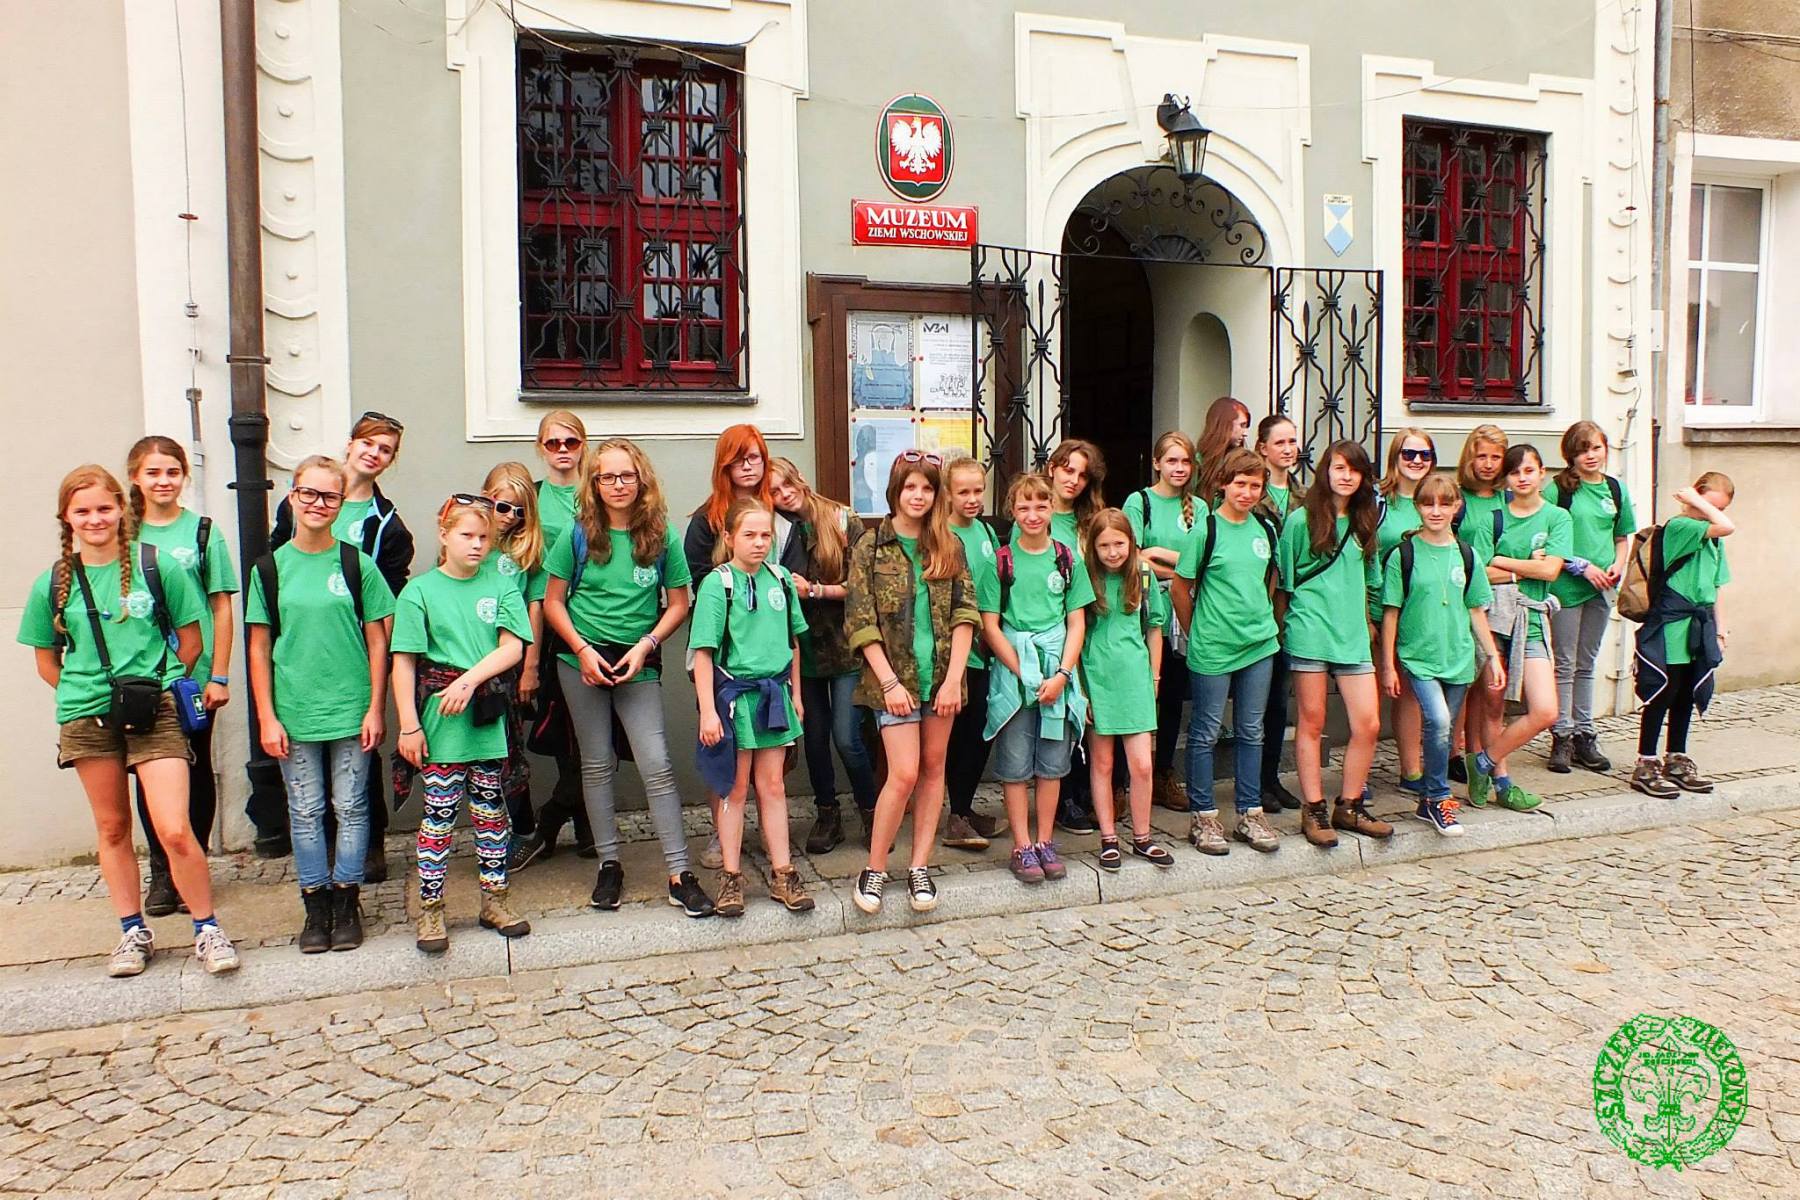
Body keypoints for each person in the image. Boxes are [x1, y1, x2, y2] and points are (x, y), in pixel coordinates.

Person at [18, 466, 239, 977]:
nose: (95, 519)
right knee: (113, 826)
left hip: (156, 712)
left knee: (174, 828)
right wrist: (87, 693)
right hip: (87, 717)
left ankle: (207, 927)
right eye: (83, 511)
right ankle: (131, 930)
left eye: (104, 508)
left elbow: (191, 640)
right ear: (67, 518)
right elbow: (47, 660)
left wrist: (155, 686)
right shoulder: (54, 582)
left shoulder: (156, 566)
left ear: (122, 509)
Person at [540, 438, 714, 918]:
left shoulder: (661, 534)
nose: (617, 485)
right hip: (581, 660)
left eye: (626, 476)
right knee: (596, 763)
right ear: (594, 484)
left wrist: (647, 645)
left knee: (656, 763)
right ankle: (609, 864)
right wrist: (581, 650)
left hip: (638, 659)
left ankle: (679, 873)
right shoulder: (577, 533)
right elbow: (553, 601)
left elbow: (679, 603)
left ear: (642, 480)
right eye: (607, 477)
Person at [246, 457, 395, 952]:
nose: (318, 504)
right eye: (308, 493)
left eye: (329, 496)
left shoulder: (356, 564)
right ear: (292, 497)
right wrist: (267, 716)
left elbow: (378, 640)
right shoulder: (270, 569)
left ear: (340, 504)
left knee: (351, 807)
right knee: (305, 811)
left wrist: (376, 707)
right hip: (295, 711)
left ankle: (347, 899)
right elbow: (259, 647)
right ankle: (315, 906)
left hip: (350, 707)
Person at [270, 410, 412, 876]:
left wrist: (384, 657)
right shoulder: (299, 501)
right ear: (350, 444)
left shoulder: (386, 523)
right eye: (368, 443)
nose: (374, 453)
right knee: (306, 760)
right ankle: (321, 853)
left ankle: (368, 847)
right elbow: (274, 565)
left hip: (355, 647)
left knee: (360, 752)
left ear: (391, 460)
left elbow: (388, 597)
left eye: (385, 449)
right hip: (304, 643)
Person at [392, 495, 533, 954]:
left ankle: (495, 900)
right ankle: (431, 908)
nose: (476, 545)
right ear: (444, 535)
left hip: (484, 714)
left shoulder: (501, 586)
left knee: (491, 814)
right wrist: (409, 725)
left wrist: (470, 681)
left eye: (484, 537)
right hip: (441, 720)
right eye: (467, 535)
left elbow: (512, 647)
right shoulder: (419, 592)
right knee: (439, 815)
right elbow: (404, 662)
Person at [846, 453, 979, 914]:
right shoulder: (871, 545)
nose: (918, 496)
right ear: (895, 491)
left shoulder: (948, 545)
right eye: (910, 487)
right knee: (902, 773)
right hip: (894, 681)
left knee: (933, 769)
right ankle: (875, 867)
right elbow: (860, 620)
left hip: (941, 678)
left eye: (927, 488)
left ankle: (919, 865)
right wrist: (889, 683)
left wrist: (954, 679)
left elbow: (966, 613)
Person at [125, 437, 237, 917]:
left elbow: (221, 606)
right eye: (153, 472)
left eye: (172, 472)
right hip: (141, 678)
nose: (163, 481)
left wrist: (219, 675)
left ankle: (192, 861)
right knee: (147, 770)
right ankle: (161, 871)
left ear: (184, 476)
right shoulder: (123, 535)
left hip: (192, 675)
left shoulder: (202, 532)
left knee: (195, 765)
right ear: (136, 477)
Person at [690, 499, 814, 917]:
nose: (759, 543)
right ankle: (730, 876)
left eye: (766, 535)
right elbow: (703, 653)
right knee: (735, 787)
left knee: (773, 785)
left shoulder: (780, 580)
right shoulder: (718, 584)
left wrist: (796, 695)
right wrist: (708, 711)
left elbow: (793, 642)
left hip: (774, 696)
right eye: (750, 535)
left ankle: (783, 873)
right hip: (735, 700)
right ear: (729, 538)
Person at [979, 473, 1094, 885]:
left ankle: (1045, 840)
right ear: (1012, 511)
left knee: (1052, 763)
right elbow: (990, 625)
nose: (1032, 515)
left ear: (1052, 509)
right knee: (1014, 764)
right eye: (1024, 507)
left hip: (1057, 672)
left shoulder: (1067, 558)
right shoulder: (1000, 561)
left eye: (1041, 506)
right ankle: (1022, 844)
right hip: (1015, 674)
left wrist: (1063, 674)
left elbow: (1076, 621)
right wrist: (1021, 670)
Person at [1277, 439, 1389, 848]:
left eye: (1354, 470)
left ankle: (1350, 803)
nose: (1346, 476)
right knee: (1312, 720)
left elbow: (1372, 578)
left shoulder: (1365, 520)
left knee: (1368, 722)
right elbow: (1284, 581)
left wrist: (1370, 620)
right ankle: (1314, 807)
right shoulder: (1301, 520)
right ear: (1326, 470)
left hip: (1352, 633)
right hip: (1310, 629)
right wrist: (1285, 627)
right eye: (1339, 467)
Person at [1379, 474, 1505, 836]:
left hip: (1458, 656)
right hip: (1418, 656)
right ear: (1418, 507)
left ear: (1456, 507)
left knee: (1445, 732)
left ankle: (1427, 801)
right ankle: (1438, 797)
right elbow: (1391, 612)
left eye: (1444, 504)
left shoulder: (1466, 555)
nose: (1436, 511)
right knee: (1436, 720)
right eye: (1428, 503)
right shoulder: (1403, 555)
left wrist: (1492, 657)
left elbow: (1475, 609)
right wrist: (1388, 665)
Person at [683, 424, 782, 871]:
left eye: (755, 457)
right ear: (724, 465)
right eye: (738, 459)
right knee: (724, 747)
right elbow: (698, 581)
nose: (747, 466)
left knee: (772, 757)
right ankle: (721, 833)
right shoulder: (706, 520)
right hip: (723, 654)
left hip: (770, 652)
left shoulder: (778, 510)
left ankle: (767, 833)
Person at [768, 457, 878, 855]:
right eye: (774, 491)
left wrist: (815, 590)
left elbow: (864, 586)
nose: (784, 495)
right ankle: (827, 813)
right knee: (814, 738)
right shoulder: (776, 529)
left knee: (847, 738)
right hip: (804, 650)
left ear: (800, 478)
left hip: (845, 646)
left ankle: (871, 811)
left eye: (787, 484)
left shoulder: (841, 518)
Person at [1172, 449, 1280, 855]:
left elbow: (1270, 577)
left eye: (1255, 486)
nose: (1247, 492)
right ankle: (1203, 816)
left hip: (1259, 645)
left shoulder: (1265, 529)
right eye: (1240, 484)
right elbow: (1181, 588)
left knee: (1252, 730)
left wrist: (1262, 615)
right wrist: (1196, 632)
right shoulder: (1206, 530)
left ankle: (1250, 812)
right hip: (1214, 646)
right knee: (1205, 731)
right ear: (1223, 485)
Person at [1465, 445, 1572, 812]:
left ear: (1542, 473)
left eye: (1529, 470)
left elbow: (1551, 571)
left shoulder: (1557, 517)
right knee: (1493, 704)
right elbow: (1479, 575)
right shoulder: (1492, 520)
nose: (1522, 478)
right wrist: (1525, 566)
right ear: (1506, 479)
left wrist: (1503, 560)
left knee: (1545, 710)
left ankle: (1482, 761)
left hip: (1532, 620)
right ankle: (1502, 782)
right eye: (1514, 472)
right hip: (1495, 620)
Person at [517, 411, 593, 862]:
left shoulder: (596, 493)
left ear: (583, 445)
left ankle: (558, 820)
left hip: (594, 620)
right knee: (565, 728)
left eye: (571, 442)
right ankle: (584, 824)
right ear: (540, 448)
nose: (562, 450)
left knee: (594, 731)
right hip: (544, 625)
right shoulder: (532, 498)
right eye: (553, 443)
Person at [1080, 509, 1175, 869]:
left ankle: (1142, 836)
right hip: (1097, 676)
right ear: (1093, 547)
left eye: (1119, 544)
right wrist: (1081, 690)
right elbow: (1077, 633)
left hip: (1135, 677)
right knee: (1103, 763)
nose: (1113, 552)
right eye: (1104, 545)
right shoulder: (1086, 577)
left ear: (1131, 542)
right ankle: (1108, 836)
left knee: (1142, 765)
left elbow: (1154, 628)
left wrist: (1154, 677)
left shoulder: (1143, 574)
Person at [1631, 475, 1734, 798]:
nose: (1712, 514)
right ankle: (1646, 762)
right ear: (1694, 498)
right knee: (1664, 691)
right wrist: (1696, 502)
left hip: (1699, 624)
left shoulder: (1713, 538)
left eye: (1719, 508)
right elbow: (1727, 526)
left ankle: (1676, 758)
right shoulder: (1681, 527)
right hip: (1672, 624)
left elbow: (1716, 587)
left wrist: (1720, 629)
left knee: (1687, 693)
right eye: (1709, 505)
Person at [1545, 421, 1635, 774]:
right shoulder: (1559, 490)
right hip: (1568, 587)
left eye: (1596, 448)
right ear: (1570, 455)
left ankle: (1585, 733)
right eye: (1582, 450)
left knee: (1587, 661)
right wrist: (1580, 567)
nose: (1590, 456)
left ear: (1605, 449)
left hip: (1602, 588)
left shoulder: (1615, 489)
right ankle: (1562, 735)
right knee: (1565, 662)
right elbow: (1545, 539)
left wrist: (1617, 565)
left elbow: (1621, 537)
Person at [1127, 432, 1200, 814]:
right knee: (1139, 693)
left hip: (1185, 608)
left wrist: (1160, 553)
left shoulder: (1198, 507)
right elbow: (1131, 557)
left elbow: (1203, 560)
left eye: (1185, 462)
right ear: (1157, 463)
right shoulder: (1140, 502)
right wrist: (1170, 566)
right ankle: (1123, 780)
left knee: (1173, 695)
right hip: (1148, 608)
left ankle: (1164, 773)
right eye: (1172, 461)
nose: (1179, 468)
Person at [942, 457, 1008, 850]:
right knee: (961, 735)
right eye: (963, 492)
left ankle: (964, 810)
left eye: (978, 490)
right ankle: (956, 815)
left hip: (986, 646)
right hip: (958, 651)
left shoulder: (984, 530)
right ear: (948, 494)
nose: (972, 499)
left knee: (980, 731)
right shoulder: (942, 534)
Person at [1041, 439, 1106, 835]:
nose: (1074, 480)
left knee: (1086, 711)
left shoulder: (1089, 520)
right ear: (1052, 467)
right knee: (1059, 715)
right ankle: (1062, 798)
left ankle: (1084, 795)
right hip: (1049, 629)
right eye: (1068, 470)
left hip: (1087, 626)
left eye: (1082, 475)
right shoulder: (1036, 511)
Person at [481, 462, 549, 836]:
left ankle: (522, 828)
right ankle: (488, 828)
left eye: (520, 511)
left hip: (510, 663)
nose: (510, 517)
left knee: (509, 746)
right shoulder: (471, 540)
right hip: (470, 657)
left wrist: (531, 667)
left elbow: (534, 607)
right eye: (503, 506)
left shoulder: (525, 550)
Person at [1375, 429, 1436, 799]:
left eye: (1424, 454)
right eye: (1409, 453)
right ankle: (1358, 776)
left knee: (1409, 690)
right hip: (1377, 606)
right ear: (1395, 456)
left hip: (1419, 611)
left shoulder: (1435, 499)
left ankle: (1411, 770)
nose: (1416, 461)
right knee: (1370, 691)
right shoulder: (1378, 500)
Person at [1253, 415, 1305, 815]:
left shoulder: (1305, 496)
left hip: (1294, 606)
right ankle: (1253, 781)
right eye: (1280, 442)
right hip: (1261, 603)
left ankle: (1271, 778)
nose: (1288, 449)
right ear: (1263, 448)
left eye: (1292, 442)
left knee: (1280, 703)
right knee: (1259, 701)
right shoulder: (1251, 493)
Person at [1451, 424, 1509, 784]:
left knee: (1487, 685)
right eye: (1481, 456)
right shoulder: (1459, 499)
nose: (1488, 464)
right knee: (1462, 679)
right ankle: (1453, 752)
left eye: (1495, 457)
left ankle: (1476, 751)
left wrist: (1507, 570)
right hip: (1462, 597)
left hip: (1499, 603)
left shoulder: (1508, 499)